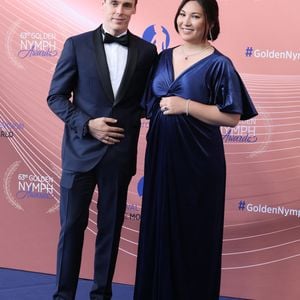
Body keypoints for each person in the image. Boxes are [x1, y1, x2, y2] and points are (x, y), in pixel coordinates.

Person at [134, 0, 258, 299]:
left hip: (198, 161)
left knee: (193, 232)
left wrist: (186, 106)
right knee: (159, 225)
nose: (186, 21)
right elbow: (144, 105)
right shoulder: (162, 58)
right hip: (161, 155)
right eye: (182, 14)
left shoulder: (219, 64)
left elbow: (231, 117)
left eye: (195, 16)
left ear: (210, 22)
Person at [47, 0, 157, 298]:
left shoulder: (147, 52)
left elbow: (148, 102)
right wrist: (87, 124)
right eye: (113, 3)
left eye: (126, 5)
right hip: (79, 152)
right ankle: (63, 295)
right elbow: (56, 97)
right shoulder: (76, 45)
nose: (119, 11)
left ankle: (101, 295)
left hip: (119, 155)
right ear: (102, 5)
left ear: (135, 8)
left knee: (110, 231)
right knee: (71, 228)